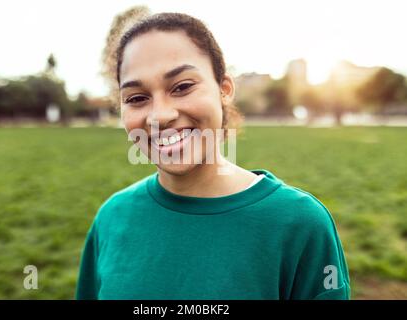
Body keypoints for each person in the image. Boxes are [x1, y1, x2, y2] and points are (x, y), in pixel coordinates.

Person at [76, 12, 351, 300]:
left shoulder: (300, 224)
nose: (160, 115)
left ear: (224, 90)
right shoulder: (111, 218)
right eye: (136, 98)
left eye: (182, 87)